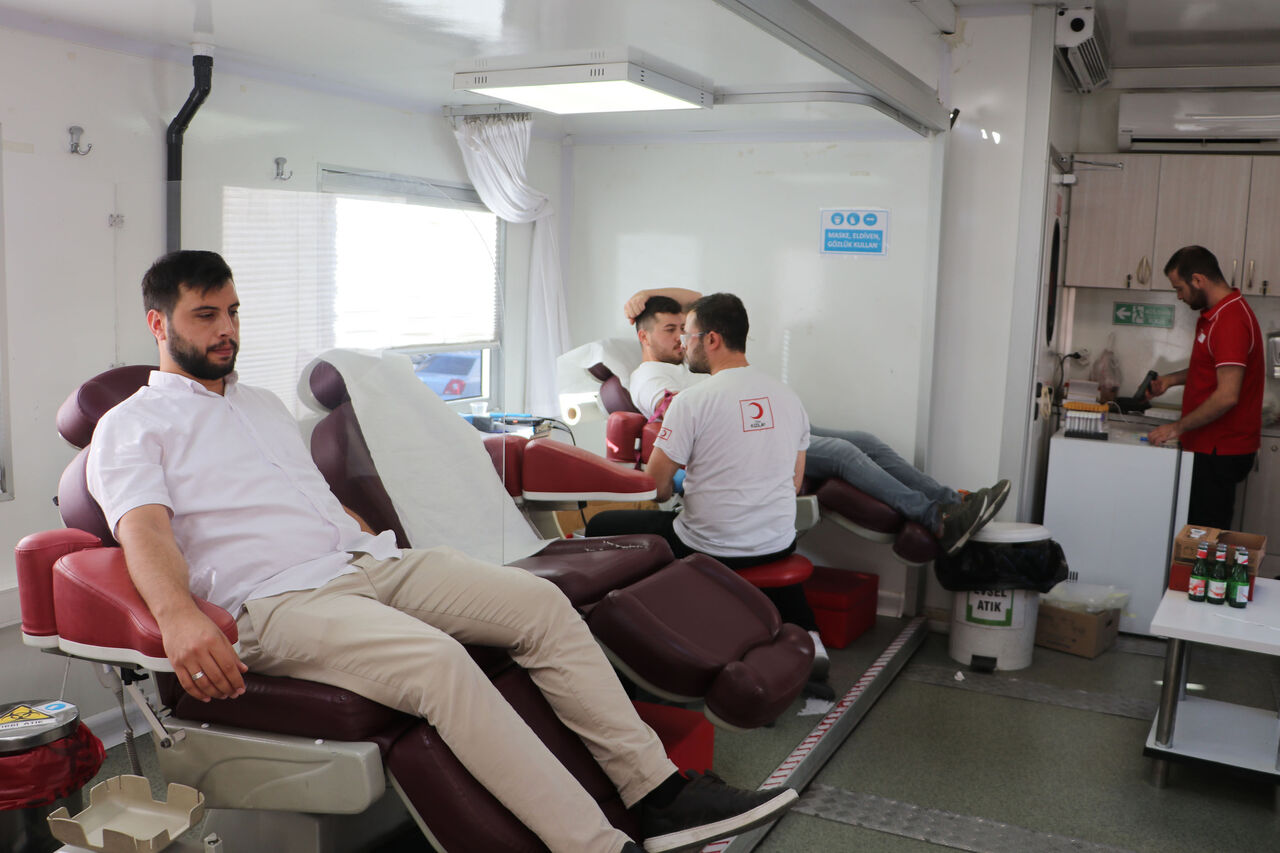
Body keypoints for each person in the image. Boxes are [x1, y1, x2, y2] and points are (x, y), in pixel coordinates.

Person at [85, 251, 797, 853]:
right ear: (159, 323)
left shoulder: (261, 405)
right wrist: (178, 616)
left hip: (365, 563)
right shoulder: (131, 425)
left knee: (541, 604)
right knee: (440, 663)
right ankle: (596, 845)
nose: (226, 329)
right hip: (276, 601)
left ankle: (660, 793)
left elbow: (316, 500)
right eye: (206, 315)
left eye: (233, 312)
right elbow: (143, 531)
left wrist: (365, 536)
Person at [624, 288, 1006, 556]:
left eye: (683, 330)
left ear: (709, 338)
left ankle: (953, 501)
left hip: (743, 411)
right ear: (644, 337)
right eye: (670, 330)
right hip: (733, 429)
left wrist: (651, 293)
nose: (680, 339)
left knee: (863, 440)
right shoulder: (649, 376)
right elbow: (676, 416)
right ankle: (936, 518)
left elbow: (713, 309)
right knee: (841, 452)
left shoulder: (693, 361)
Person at [1146, 245, 1263, 530]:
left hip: (1219, 450)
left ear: (1198, 280)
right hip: (1209, 446)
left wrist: (1176, 428)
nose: (1179, 296)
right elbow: (1211, 369)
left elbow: (1227, 395)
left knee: (1205, 534)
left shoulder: (1230, 321)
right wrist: (1170, 380)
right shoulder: (1216, 315)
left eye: (1179, 288)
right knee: (1196, 531)